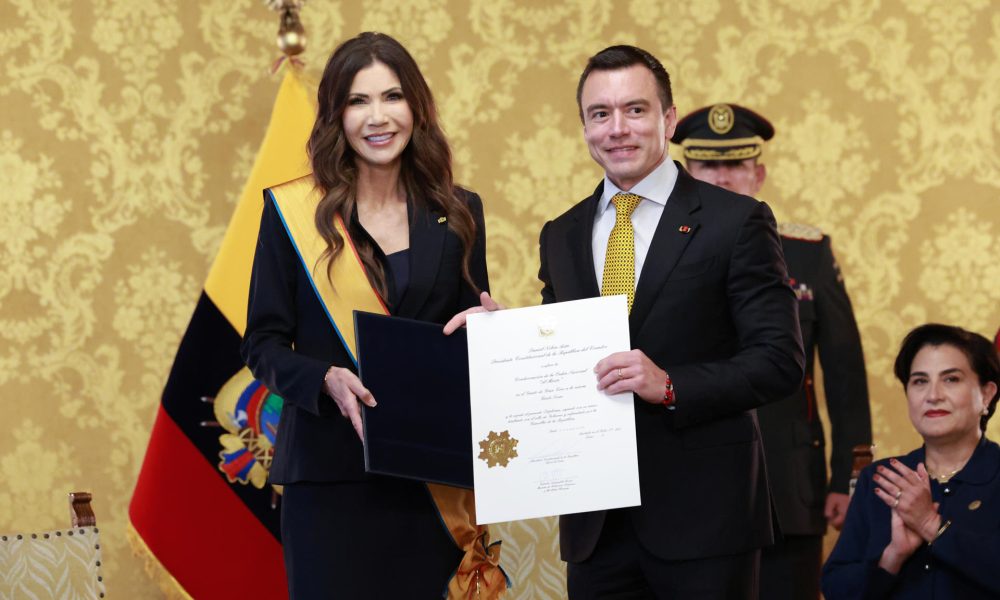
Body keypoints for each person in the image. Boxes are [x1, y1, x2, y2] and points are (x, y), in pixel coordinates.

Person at [241, 32, 504, 599]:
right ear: (336, 115)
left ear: (417, 108)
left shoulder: (459, 212)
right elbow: (261, 344)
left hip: (432, 480)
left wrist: (494, 334)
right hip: (329, 479)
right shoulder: (293, 214)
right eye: (358, 101)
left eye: (392, 97)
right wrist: (324, 380)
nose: (378, 117)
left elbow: (467, 330)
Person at [538, 45, 805, 599]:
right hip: (597, 527)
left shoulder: (737, 221)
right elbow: (558, 357)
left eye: (635, 110)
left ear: (668, 119)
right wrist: (505, 340)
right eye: (600, 114)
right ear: (584, 127)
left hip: (706, 522)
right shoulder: (560, 235)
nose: (617, 129)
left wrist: (671, 386)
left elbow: (779, 362)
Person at [672, 103, 873, 599]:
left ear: (757, 174)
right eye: (707, 167)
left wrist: (846, 479)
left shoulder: (806, 252)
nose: (722, 178)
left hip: (789, 485)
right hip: (690, 482)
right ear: (685, 174)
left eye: (735, 165)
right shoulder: (658, 254)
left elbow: (845, 374)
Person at [822, 323, 1000, 599]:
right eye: (919, 381)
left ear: (986, 394)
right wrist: (890, 559)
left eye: (951, 379)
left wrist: (932, 526)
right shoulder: (880, 478)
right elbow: (836, 588)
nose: (933, 395)